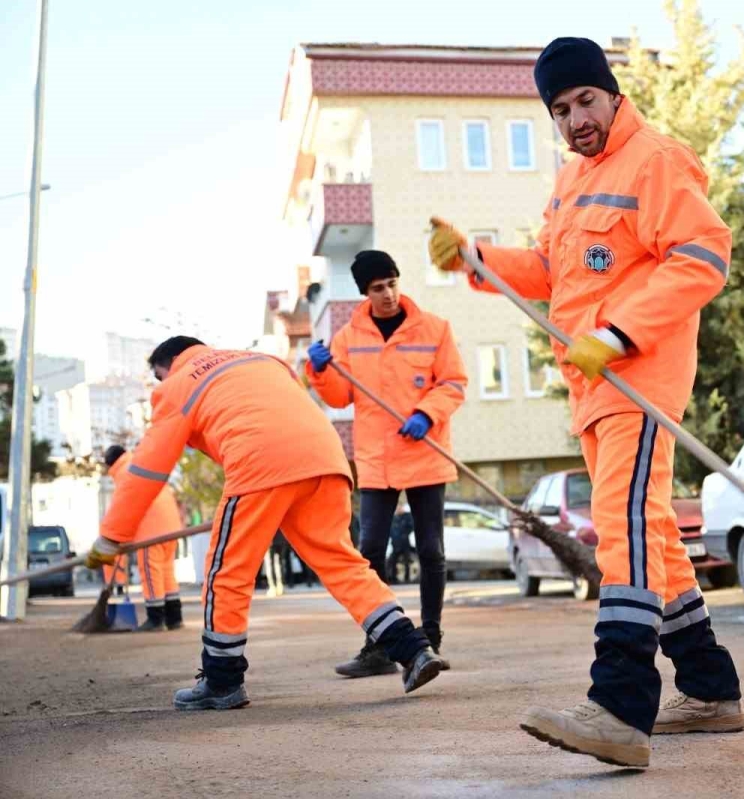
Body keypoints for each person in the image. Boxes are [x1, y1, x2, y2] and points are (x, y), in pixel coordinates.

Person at [429, 37, 743, 768]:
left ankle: (619, 706)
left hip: (639, 377)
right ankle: (709, 688)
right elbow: (548, 269)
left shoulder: (655, 160)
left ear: (612, 95)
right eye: (560, 109)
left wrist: (618, 331)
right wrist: (475, 257)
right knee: (655, 538)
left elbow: (704, 255)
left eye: (585, 101)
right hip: (593, 384)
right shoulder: (570, 181)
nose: (575, 119)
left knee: (624, 526)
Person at [84, 336, 447, 711]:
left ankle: (221, 681)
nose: (162, 384)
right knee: (344, 565)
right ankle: (414, 649)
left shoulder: (178, 385)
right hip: (325, 459)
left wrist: (112, 536)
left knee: (227, 573)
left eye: (160, 376)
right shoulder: (261, 360)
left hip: (260, 463)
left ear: (171, 363)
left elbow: (146, 468)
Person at [306, 250, 467, 677]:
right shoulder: (348, 337)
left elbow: (454, 382)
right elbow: (339, 396)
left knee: (431, 550)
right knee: (370, 550)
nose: (389, 294)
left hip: (426, 454)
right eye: (378, 288)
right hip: (377, 461)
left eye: (393, 283)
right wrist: (319, 371)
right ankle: (378, 646)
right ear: (365, 292)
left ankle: (429, 640)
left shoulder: (434, 328)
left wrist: (427, 413)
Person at [103, 445, 184, 631]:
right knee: (166, 572)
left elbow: (121, 511)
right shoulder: (141, 464)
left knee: (150, 572)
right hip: (171, 526)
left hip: (151, 531)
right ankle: (174, 618)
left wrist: (114, 538)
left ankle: (156, 620)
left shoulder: (123, 474)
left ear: (110, 465)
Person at [387, 509, 416, 585]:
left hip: (405, 543)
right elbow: (390, 529)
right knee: (393, 561)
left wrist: (404, 534)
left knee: (407, 561)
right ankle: (393, 577)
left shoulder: (406, 517)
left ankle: (407, 578)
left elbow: (411, 526)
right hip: (395, 543)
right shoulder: (393, 518)